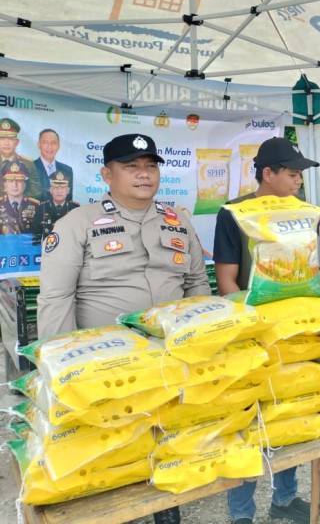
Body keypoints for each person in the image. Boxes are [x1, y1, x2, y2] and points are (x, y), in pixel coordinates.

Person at [37, 133, 211, 524]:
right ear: (107, 174)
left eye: (150, 166)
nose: (144, 175)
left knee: (168, 444)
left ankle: (168, 513)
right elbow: (55, 300)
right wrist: (60, 375)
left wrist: (204, 345)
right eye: (131, 167)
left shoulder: (178, 220)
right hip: (107, 367)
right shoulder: (77, 224)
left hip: (171, 361)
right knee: (114, 455)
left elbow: (197, 286)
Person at [214, 136, 319, 524]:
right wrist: (249, 329)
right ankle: (241, 513)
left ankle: (285, 498)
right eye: (292, 174)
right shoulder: (234, 213)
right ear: (267, 173)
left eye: (301, 175)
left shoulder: (305, 213)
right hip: (251, 334)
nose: (298, 182)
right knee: (245, 421)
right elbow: (226, 278)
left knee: (288, 414)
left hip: (295, 331)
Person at [30, 170, 79, 243]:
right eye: (56, 188)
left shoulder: (75, 209)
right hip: (47, 250)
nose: (59, 191)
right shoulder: (41, 208)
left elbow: (79, 235)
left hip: (69, 250)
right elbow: (36, 236)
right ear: (51, 190)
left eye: (62, 188)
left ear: (68, 191)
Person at [0, 117, 42, 201]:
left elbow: (36, 191)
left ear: (17, 142)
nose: (6, 143)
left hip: (20, 210)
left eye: (11, 139)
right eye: (2, 139)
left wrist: (15, 200)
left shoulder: (28, 163)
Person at [33, 128, 74, 203]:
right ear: (39, 145)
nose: (50, 147)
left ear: (58, 146)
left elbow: (68, 200)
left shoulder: (67, 170)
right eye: (45, 142)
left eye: (54, 143)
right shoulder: (30, 167)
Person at [0, 160, 39, 234]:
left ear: (24, 185)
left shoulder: (36, 206)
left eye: (19, 180)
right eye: (10, 181)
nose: (15, 184)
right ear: (5, 184)